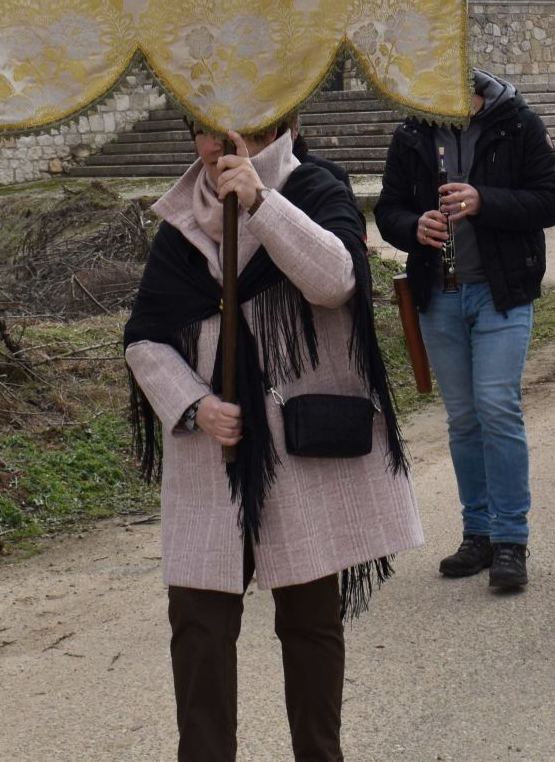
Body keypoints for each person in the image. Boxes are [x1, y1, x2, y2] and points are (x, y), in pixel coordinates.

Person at [125, 123, 420, 762]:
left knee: (311, 623)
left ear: (275, 126)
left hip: (297, 451)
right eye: (202, 132)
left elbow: (335, 280)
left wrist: (261, 202)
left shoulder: (316, 188)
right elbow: (143, 336)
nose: (214, 148)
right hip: (211, 454)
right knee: (198, 627)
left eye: (233, 133)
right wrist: (194, 403)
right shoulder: (180, 218)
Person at [374, 71, 555, 591]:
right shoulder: (412, 133)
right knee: (462, 418)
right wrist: (413, 226)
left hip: (501, 290)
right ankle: (477, 532)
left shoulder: (518, 123)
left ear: (473, 90)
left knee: (496, 406)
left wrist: (485, 201)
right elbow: (387, 209)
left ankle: (510, 539)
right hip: (439, 293)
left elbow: (553, 201)